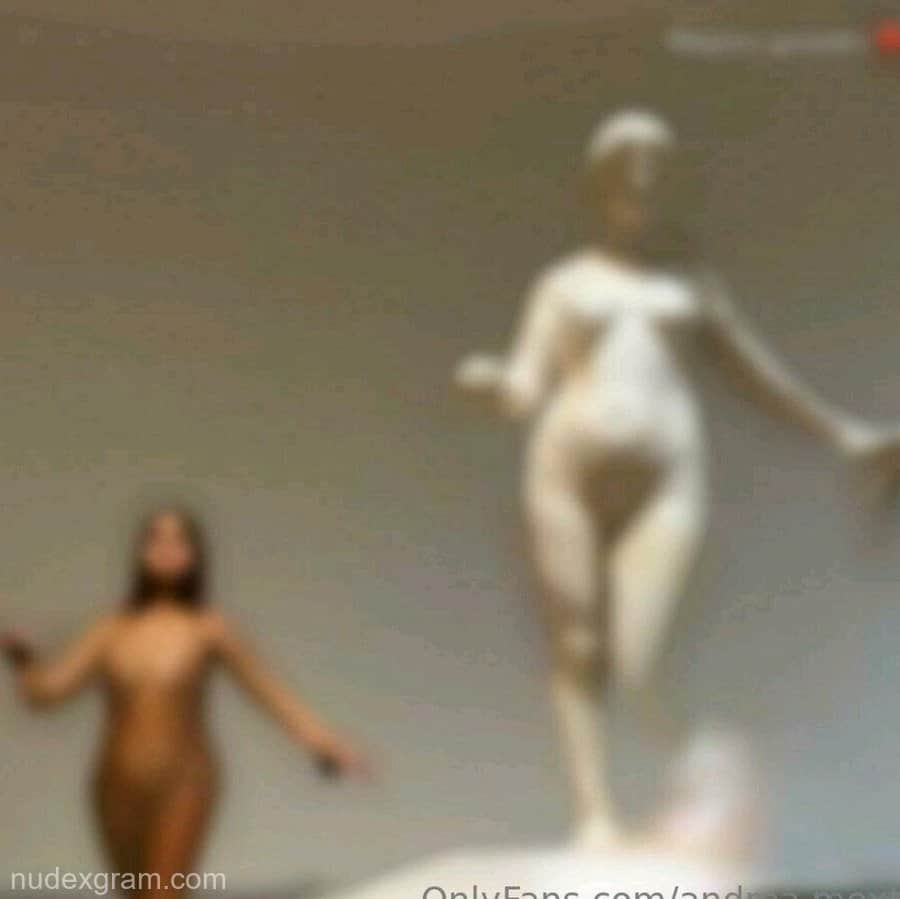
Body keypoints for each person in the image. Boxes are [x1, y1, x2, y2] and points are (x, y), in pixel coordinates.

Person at [454, 109, 900, 850]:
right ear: (601, 182)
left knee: (640, 654)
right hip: (566, 470)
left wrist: (842, 431)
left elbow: (757, 374)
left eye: (652, 168)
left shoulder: (690, 287)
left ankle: (700, 777)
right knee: (579, 645)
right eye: (626, 166)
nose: (639, 181)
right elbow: (525, 388)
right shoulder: (564, 284)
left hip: (667, 473)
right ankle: (594, 813)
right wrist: (494, 382)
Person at [2, 507, 369, 896]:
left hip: (184, 784)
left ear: (195, 554)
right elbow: (48, 693)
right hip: (116, 784)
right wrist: (23, 660)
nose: (166, 548)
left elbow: (271, 694)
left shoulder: (207, 628)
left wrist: (325, 743)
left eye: (178, 540)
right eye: (156, 539)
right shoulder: (111, 629)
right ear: (140, 551)